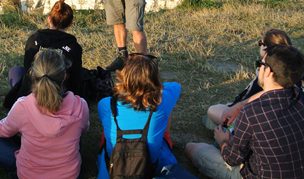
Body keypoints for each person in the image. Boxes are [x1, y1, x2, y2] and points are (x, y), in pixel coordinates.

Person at [185, 45, 304, 179]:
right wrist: (237, 107)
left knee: (192, 148)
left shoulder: (252, 112)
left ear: (268, 71)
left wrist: (223, 141)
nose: (259, 68)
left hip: (255, 175)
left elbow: (232, 159)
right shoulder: (299, 96)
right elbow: (271, 92)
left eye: (260, 64)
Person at [0, 49, 90, 179]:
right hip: (70, 175)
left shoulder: (22, 106)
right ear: (64, 76)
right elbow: (84, 130)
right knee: (77, 131)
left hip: (29, 175)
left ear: (33, 75)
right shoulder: (81, 105)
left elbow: (3, 132)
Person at [97, 54, 182, 178]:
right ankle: (167, 139)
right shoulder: (161, 104)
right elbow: (176, 86)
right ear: (155, 79)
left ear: (124, 76)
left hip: (114, 167)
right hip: (150, 167)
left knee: (106, 134)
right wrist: (155, 88)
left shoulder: (106, 104)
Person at [3, 0, 83, 109]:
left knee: (16, 71)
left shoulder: (33, 39)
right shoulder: (75, 48)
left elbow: (27, 70)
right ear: (70, 24)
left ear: (49, 19)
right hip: (60, 98)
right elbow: (75, 80)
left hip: (32, 93)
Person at [204, 29, 292, 128]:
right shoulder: (293, 76)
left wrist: (236, 107)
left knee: (212, 111)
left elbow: (261, 95)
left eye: (260, 43)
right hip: (281, 122)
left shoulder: (269, 77)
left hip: (257, 121)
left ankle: (230, 130)